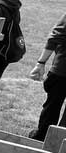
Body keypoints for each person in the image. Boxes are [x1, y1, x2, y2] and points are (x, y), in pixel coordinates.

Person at [28, 12, 66, 143]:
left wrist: (41, 63)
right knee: (52, 107)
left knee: (52, 107)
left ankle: (42, 139)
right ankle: (59, 144)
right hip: (61, 70)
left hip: (62, 71)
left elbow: (55, 37)